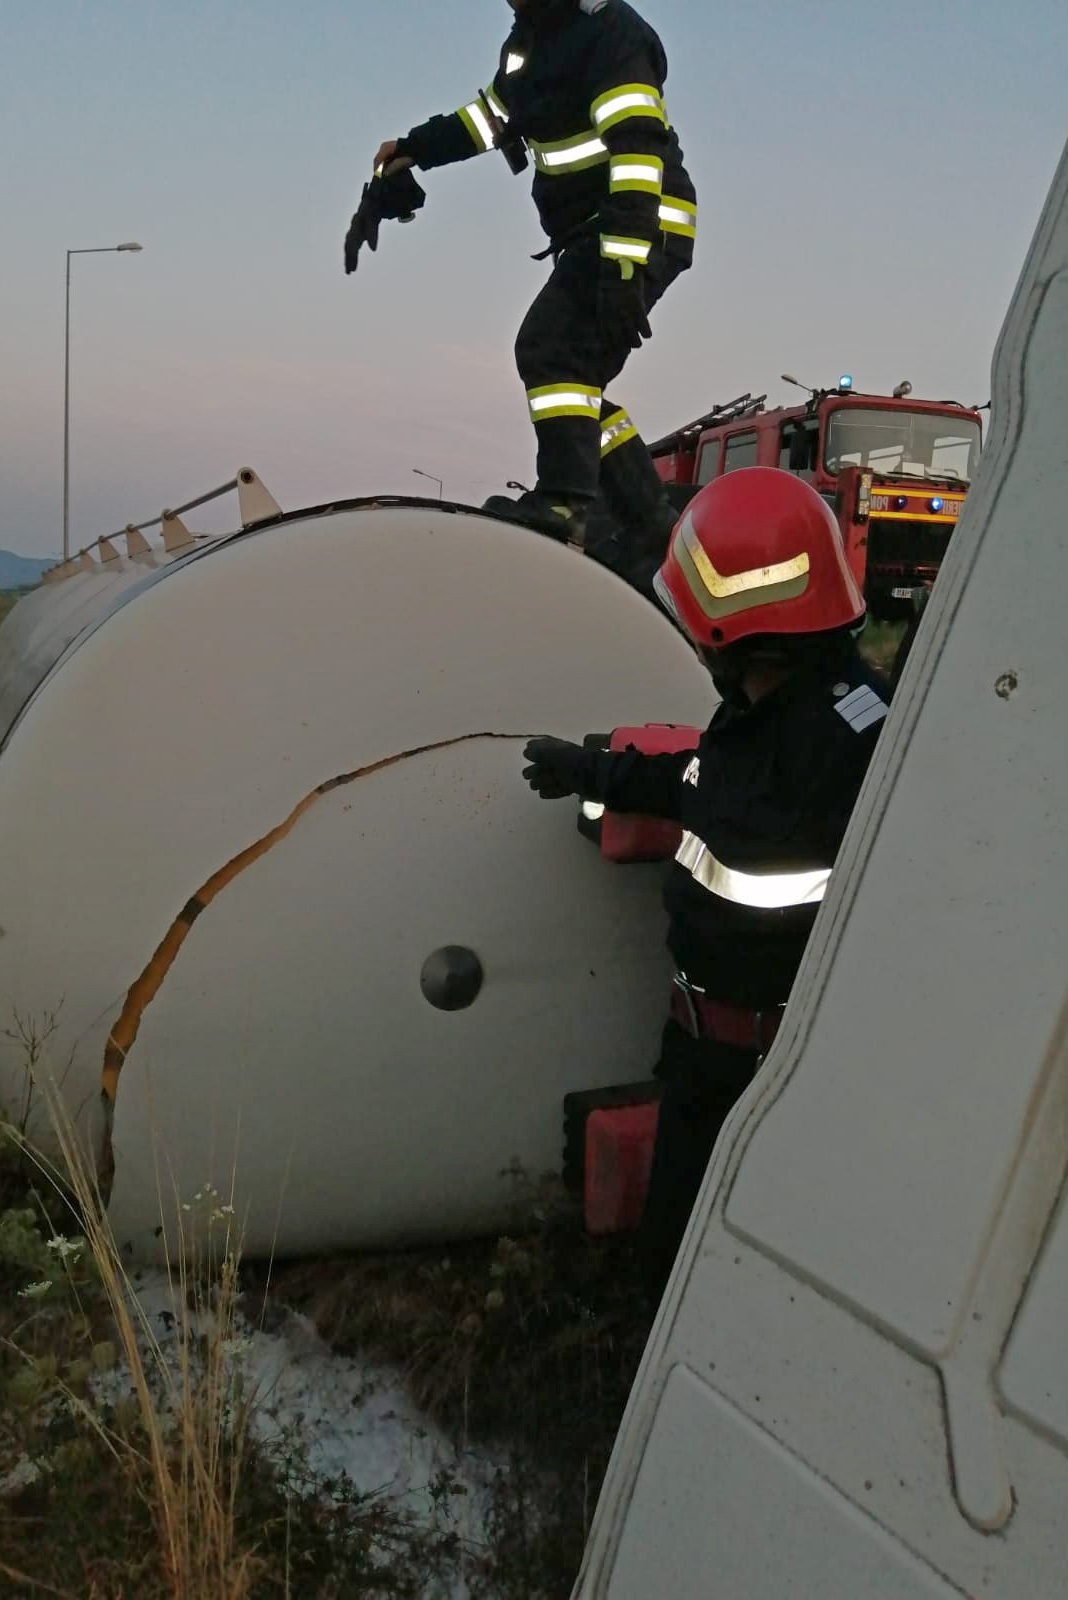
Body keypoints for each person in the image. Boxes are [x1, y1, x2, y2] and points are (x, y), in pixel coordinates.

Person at [521, 468, 892, 1288]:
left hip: (774, 1074)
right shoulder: (782, 712)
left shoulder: (850, 744)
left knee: (720, 1275)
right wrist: (592, 770)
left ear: (738, 633)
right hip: (706, 1054)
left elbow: (719, 799)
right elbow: (698, 780)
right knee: (676, 1259)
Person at [367, 0, 696, 549]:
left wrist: (623, 266)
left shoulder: (612, 34)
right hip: (593, 234)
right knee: (576, 384)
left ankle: (563, 505)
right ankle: (650, 526)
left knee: (549, 350)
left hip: (636, 223)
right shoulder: (530, 43)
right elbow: (490, 119)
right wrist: (412, 150)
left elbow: (638, 149)